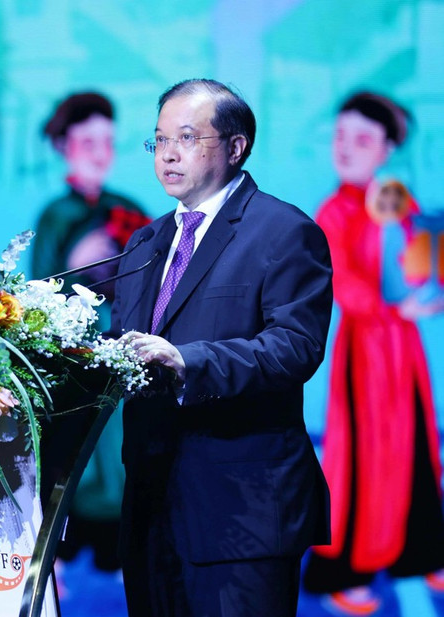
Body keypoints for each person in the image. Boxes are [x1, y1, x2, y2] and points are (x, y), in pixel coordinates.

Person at [112, 78, 333, 617]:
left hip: (240, 512)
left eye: (187, 138)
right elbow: (124, 347)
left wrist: (187, 359)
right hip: (152, 501)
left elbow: (294, 347)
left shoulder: (283, 231)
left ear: (236, 147)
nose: (168, 154)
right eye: (159, 140)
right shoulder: (147, 240)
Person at [301, 91, 444, 615]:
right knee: (361, 458)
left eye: (361, 139)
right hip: (365, 349)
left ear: (386, 149)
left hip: (403, 349)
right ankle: (347, 570)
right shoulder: (334, 209)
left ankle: (422, 552)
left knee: (416, 451)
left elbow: (421, 263)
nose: (346, 148)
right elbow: (345, 284)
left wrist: (426, 287)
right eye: (341, 136)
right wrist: (396, 309)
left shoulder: (396, 199)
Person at [32, 92, 150, 577]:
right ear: (64, 146)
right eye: (87, 141)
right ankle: (66, 543)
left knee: (124, 445)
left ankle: (119, 541)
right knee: (75, 448)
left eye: (106, 140)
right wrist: (75, 267)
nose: (99, 151)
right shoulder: (55, 217)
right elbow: (37, 294)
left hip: (125, 346)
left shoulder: (129, 208)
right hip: (74, 354)